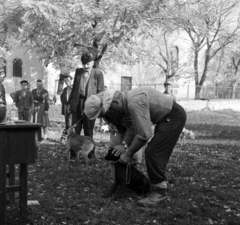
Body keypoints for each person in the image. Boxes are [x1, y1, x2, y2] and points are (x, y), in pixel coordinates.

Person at [84, 87, 186, 207]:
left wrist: (128, 154)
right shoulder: (124, 102)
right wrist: (123, 145)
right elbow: (127, 126)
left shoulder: (134, 104)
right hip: (165, 118)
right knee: (154, 152)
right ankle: (160, 182)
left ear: (116, 103)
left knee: (153, 152)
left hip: (173, 117)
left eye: (111, 109)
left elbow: (144, 134)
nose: (111, 113)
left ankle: (160, 193)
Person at [68, 52, 104, 138]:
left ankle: (90, 151)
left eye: (88, 64)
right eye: (83, 64)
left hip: (90, 105)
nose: (85, 66)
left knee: (88, 130)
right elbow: (74, 89)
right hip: (77, 104)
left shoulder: (98, 74)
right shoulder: (78, 71)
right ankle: (74, 151)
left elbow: (100, 93)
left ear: (92, 62)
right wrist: (70, 103)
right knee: (75, 130)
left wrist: (99, 108)